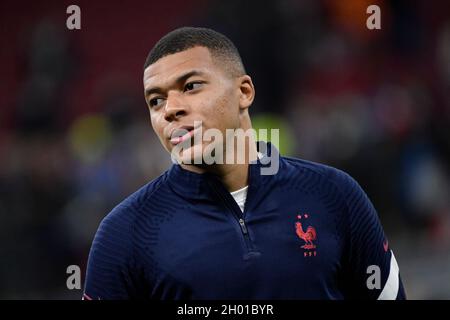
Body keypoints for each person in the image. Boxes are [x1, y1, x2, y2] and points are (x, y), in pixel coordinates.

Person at [83, 27, 406, 300]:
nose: (170, 109)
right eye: (156, 100)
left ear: (244, 92)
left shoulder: (335, 195)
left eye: (191, 86)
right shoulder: (125, 233)